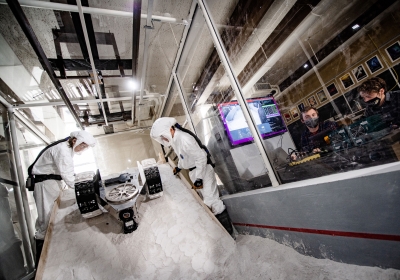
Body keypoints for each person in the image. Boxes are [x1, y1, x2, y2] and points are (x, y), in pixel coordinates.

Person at [150, 117, 233, 234]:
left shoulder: (184, 138)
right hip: (194, 172)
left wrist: (199, 177)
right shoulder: (175, 140)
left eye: (162, 136)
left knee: (212, 201)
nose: (163, 139)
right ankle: (221, 231)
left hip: (203, 170)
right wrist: (179, 166)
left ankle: (229, 233)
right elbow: (184, 157)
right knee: (206, 201)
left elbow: (201, 157)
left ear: (170, 130)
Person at [30, 130, 96, 266]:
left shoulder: (66, 149)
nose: (83, 149)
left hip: (52, 183)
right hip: (44, 184)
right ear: (74, 141)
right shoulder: (63, 151)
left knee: (51, 216)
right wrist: (86, 188)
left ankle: (48, 253)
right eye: (83, 146)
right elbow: (69, 177)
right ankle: (40, 262)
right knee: (45, 219)